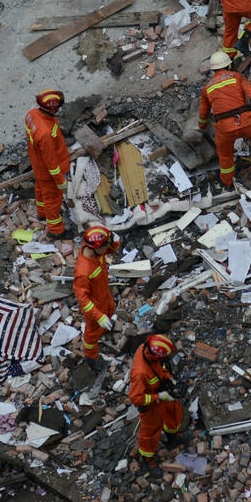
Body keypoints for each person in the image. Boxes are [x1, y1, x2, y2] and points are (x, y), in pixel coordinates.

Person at [198, 51, 251, 187]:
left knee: (225, 156)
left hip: (225, 129)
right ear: (228, 66)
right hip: (246, 121)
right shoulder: (236, 77)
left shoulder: (207, 88)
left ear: (213, 70)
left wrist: (202, 126)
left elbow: (203, 112)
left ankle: (227, 182)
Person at [128, 334, 185, 475]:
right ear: (154, 355)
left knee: (174, 410)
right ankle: (147, 459)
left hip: (160, 391)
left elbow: (159, 367)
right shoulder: (140, 372)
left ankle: (172, 440)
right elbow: (136, 398)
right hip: (150, 404)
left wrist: (169, 378)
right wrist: (158, 396)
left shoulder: (146, 348)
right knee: (150, 433)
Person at [24, 90, 72, 239]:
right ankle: (56, 229)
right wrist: (60, 180)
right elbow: (51, 161)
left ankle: (42, 213)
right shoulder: (45, 133)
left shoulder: (32, 114)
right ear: (52, 108)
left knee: (40, 189)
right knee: (53, 199)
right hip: (49, 171)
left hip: (37, 165)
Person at [73, 226, 121, 371]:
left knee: (111, 311)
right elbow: (82, 299)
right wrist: (98, 316)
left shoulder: (96, 252)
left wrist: (114, 241)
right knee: (91, 336)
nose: (107, 248)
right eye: (105, 245)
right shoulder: (84, 270)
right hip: (95, 308)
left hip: (104, 296)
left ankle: (105, 329)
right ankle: (91, 357)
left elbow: (109, 248)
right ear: (96, 247)